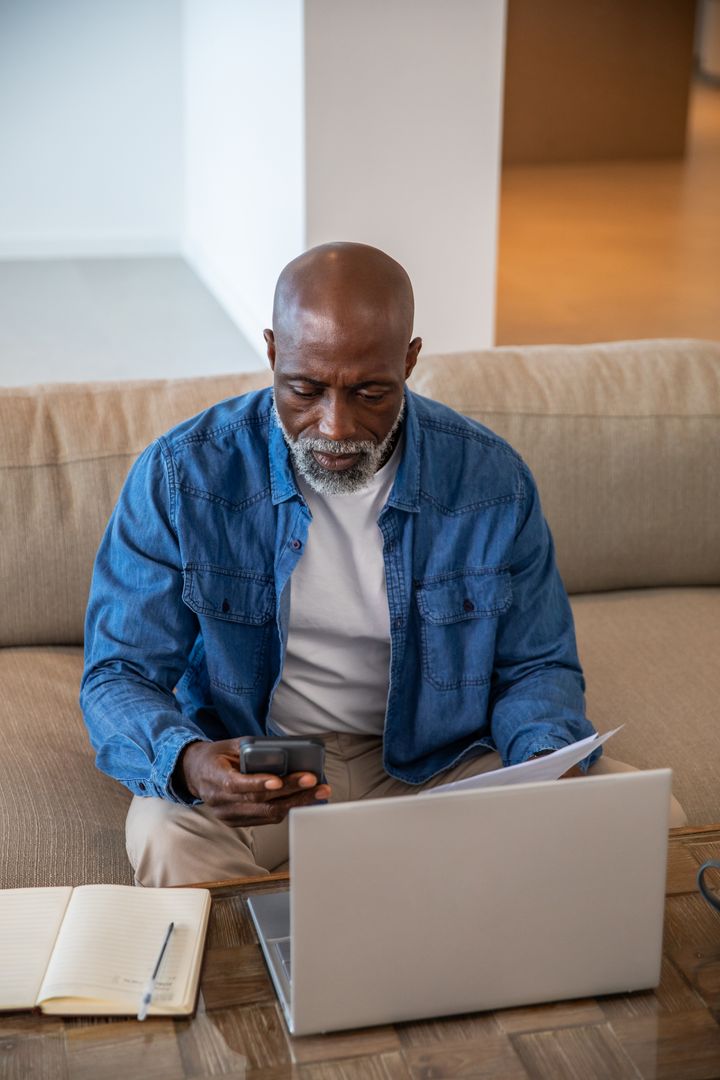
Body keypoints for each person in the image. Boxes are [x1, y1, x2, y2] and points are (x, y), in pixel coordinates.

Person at [80, 242, 683, 887]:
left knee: (650, 816)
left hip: (437, 760)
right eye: (305, 390)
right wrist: (189, 761)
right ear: (273, 353)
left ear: (410, 361)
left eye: (370, 392)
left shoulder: (490, 480)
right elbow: (118, 673)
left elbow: (537, 664)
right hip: (268, 765)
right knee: (165, 837)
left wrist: (544, 761)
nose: (335, 428)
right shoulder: (182, 476)